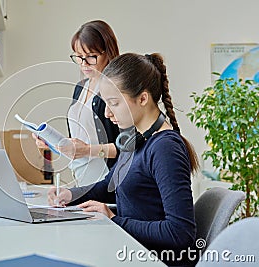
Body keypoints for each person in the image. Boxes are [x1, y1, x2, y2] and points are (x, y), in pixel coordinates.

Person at [48, 53, 200, 266]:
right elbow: (108, 186)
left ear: (143, 99)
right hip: (131, 251)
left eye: (114, 103)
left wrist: (114, 219)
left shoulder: (165, 148)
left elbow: (180, 233)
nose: (108, 113)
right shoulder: (136, 140)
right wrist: (70, 194)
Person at [34, 20, 120, 187]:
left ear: (108, 53)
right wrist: (53, 144)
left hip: (108, 185)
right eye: (79, 57)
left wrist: (88, 150)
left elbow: (128, 147)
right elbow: (78, 143)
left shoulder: (115, 90)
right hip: (83, 182)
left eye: (91, 57)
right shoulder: (81, 88)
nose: (84, 64)